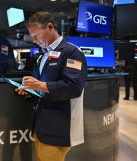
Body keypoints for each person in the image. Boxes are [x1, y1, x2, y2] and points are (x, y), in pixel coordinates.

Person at [15, 12, 87, 161]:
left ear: (50, 27)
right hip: (42, 125)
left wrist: (41, 85)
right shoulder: (44, 55)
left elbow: (73, 87)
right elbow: (41, 89)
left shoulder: (72, 52)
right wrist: (29, 90)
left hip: (58, 127)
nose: (34, 41)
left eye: (36, 35)